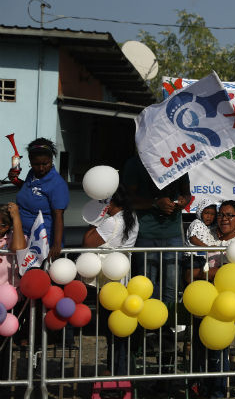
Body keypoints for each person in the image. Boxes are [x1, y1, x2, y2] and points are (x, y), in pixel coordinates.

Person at [192, 200, 235, 399]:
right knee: (199, 350)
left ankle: (218, 392)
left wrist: (202, 273)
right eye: (221, 215)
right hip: (202, 301)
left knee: (218, 350)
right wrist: (205, 273)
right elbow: (193, 267)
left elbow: (228, 274)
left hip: (223, 306)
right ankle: (201, 389)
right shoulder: (209, 235)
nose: (224, 219)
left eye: (229, 215)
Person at [82, 185, 138, 377]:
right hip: (122, 277)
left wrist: (94, 220)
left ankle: (115, 371)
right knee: (120, 331)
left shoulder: (112, 222)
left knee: (111, 329)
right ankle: (119, 370)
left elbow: (88, 241)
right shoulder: (132, 218)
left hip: (109, 282)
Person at [122, 153, 191, 305]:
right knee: (146, 285)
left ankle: (170, 324)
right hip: (145, 233)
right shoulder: (135, 163)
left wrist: (183, 201)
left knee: (172, 285)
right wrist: (155, 202)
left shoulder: (179, 161)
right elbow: (127, 199)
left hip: (173, 234)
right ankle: (149, 325)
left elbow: (187, 193)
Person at [8, 138, 69, 260]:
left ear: (51, 160)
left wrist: (56, 246)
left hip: (42, 244)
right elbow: (30, 191)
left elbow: (58, 216)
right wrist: (15, 180)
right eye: (36, 164)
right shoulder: (32, 173)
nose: (41, 168)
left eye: (45, 163)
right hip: (22, 237)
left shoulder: (57, 184)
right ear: (30, 161)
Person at [0, 202, 26, 384]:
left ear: (7, 226)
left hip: (6, 302)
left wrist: (16, 217)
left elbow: (18, 249)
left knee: (2, 349)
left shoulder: (14, 238)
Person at [184, 199, 217, 283]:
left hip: (203, 257)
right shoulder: (196, 223)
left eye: (212, 214)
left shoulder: (209, 227)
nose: (209, 216)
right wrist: (207, 248)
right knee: (191, 277)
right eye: (206, 213)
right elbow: (193, 238)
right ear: (200, 212)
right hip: (193, 256)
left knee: (202, 277)